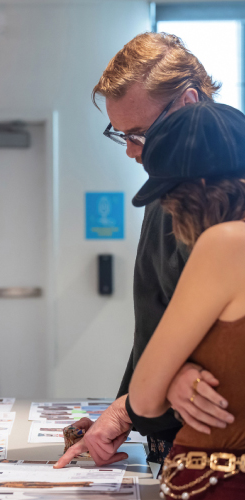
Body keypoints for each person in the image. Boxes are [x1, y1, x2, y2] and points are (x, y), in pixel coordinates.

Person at [55, 32, 234, 469]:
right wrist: (126, 409)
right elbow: (156, 321)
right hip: (175, 443)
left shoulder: (216, 196)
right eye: (122, 136)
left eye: (139, 134)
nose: (133, 152)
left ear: (189, 103)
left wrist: (162, 383)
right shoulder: (162, 195)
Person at [129, 101, 245, 498]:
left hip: (219, 480)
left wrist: (171, 377)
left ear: (195, 187)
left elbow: (144, 397)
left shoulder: (225, 243)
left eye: (170, 201)